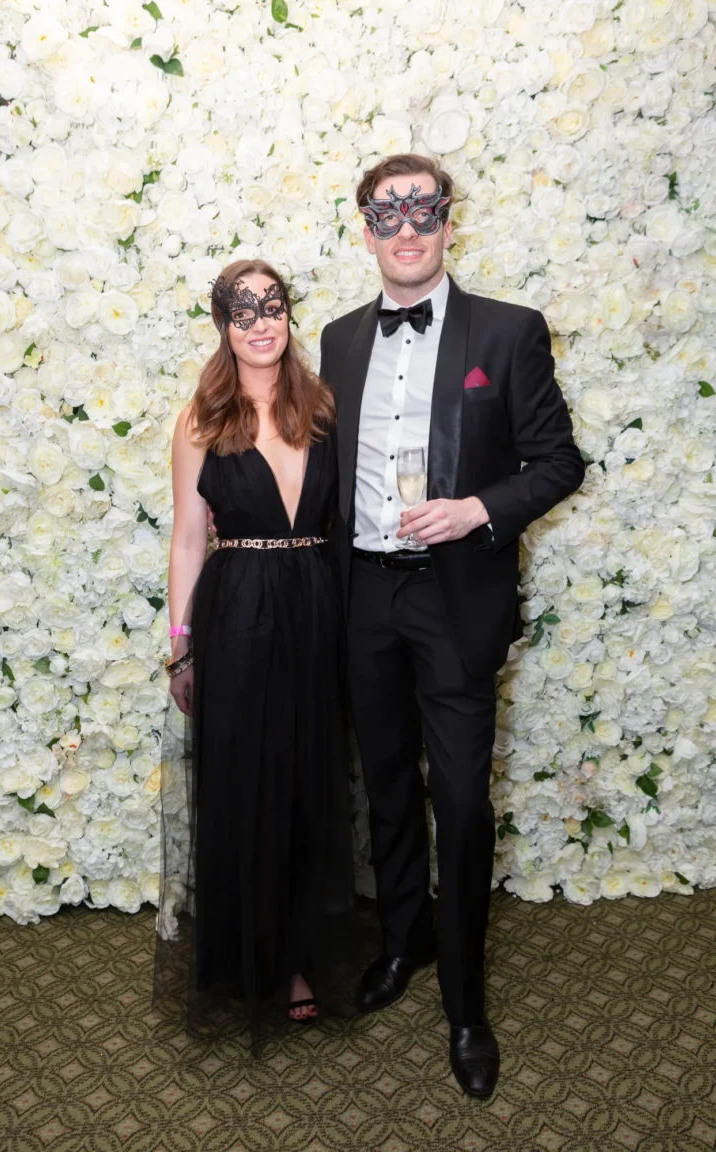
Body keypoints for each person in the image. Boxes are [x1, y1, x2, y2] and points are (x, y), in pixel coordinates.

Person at [319, 154, 585, 1098]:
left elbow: (560, 462)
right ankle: (405, 941)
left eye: (422, 213)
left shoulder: (508, 332)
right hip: (363, 598)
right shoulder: (338, 337)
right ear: (365, 230)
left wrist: (476, 508)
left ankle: (467, 1009)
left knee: (461, 805)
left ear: (445, 225)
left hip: (454, 600)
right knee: (385, 787)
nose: (406, 230)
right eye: (387, 216)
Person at [153, 259, 356, 1042]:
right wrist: (181, 647)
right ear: (222, 325)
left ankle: (301, 954)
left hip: (316, 605)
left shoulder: (326, 406)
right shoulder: (201, 416)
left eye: (272, 307)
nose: (261, 322)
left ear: (288, 315)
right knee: (247, 781)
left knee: (311, 780)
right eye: (243, 312)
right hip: (237, 610)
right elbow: (186, 538)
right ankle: (252, 957)